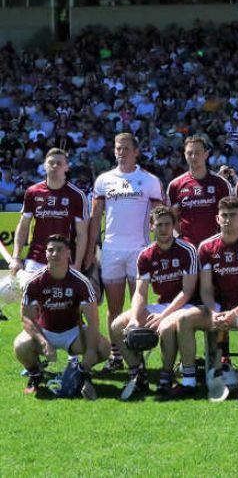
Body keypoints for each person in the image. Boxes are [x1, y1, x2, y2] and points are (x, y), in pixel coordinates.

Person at [84, 133, 163, 371]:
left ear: (136, 152)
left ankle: (136, 355)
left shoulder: (149, 180)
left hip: (140, 251)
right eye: (118, 148)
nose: (122, 152)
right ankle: (116, 356)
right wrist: (90, 251)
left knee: (139, 308)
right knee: (114, 308)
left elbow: (160, 217)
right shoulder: (104, 180)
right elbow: (95, 218)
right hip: (111, 251)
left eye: (126, 148)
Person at [176, 196, 238, 402]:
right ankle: (189, 381)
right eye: (224, 216)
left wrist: (233, 313)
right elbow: (206, 288)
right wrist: (215, 312)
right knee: (184, 319)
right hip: (215, 308)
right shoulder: (206, 248)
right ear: (217, 218)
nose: (228, 220)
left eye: (233, 215)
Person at [108, 205, 201, 398]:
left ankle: (166, 375)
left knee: (166, 327)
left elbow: (187, 292)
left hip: (187, 305)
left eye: (167, 224)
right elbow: (141, 292)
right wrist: (134, 318)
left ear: (174, 226)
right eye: (159, 225)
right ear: (151, 227)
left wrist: (162, 317)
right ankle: (137, 374)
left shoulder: (187, 250)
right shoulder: (146, 255)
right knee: (117, 326)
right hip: (162, 304)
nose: (164, 229)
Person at [14, 234, 110, 397]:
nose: (55, 254)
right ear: (45, 254)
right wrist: (44, 342)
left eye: (60, 250)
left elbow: (93, 320)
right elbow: (26, 319)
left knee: (104, 348)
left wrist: (90, 354)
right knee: (20, 346)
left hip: (73, 333)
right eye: (51, 250)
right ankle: (35, 374)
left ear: (68, 253)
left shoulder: (81, 282)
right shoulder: (34, 282)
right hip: (45, 332)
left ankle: (80, 372)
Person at [11, 148, 88, 276]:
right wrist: (16, 258)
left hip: (65, 260)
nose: (54, 166)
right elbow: (23, 225)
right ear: (44, 166)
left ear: (66, 168)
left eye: (59, 163)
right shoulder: (32, 192)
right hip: (35, 260)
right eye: (51, 163)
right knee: (31, 296)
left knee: (61, 296)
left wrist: (78, 264)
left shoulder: (77, 195)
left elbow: (82, 234)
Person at [166, 135, 233, 247]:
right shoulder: (175, 185)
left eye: (197, 152)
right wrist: (178, 239)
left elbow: (230, 217)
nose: (193, 157)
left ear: (206, 154)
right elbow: (171, 218)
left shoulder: (221, 184)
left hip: (215, 247)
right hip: (186, 248)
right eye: (189, 153)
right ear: (185, 155)